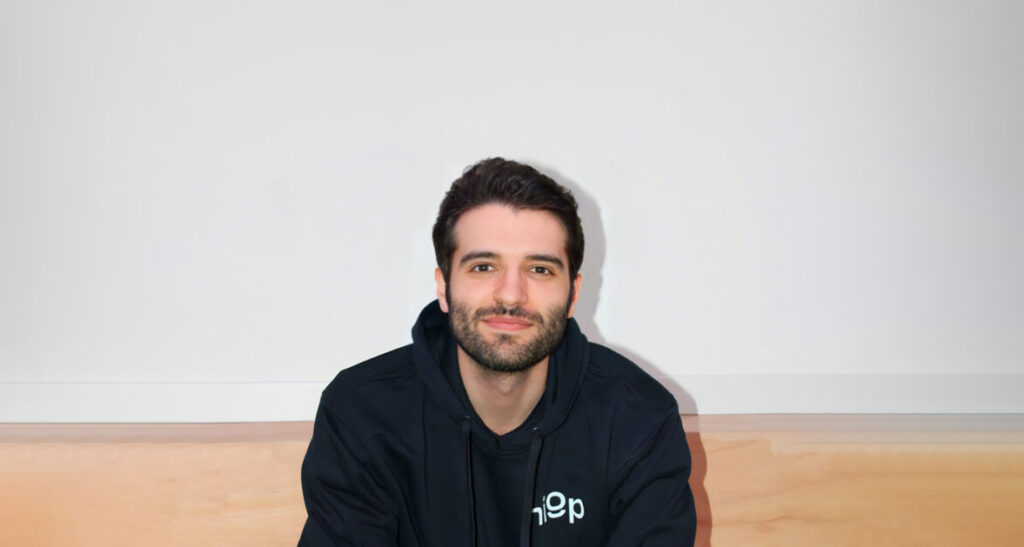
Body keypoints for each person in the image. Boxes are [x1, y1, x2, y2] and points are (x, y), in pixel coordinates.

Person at [299, 158, 696, 547]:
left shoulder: (637, 420)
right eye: (484, 267)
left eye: (539, 269)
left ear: (573, 295)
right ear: (443, 286)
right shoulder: (361, 414)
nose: (510, 295)